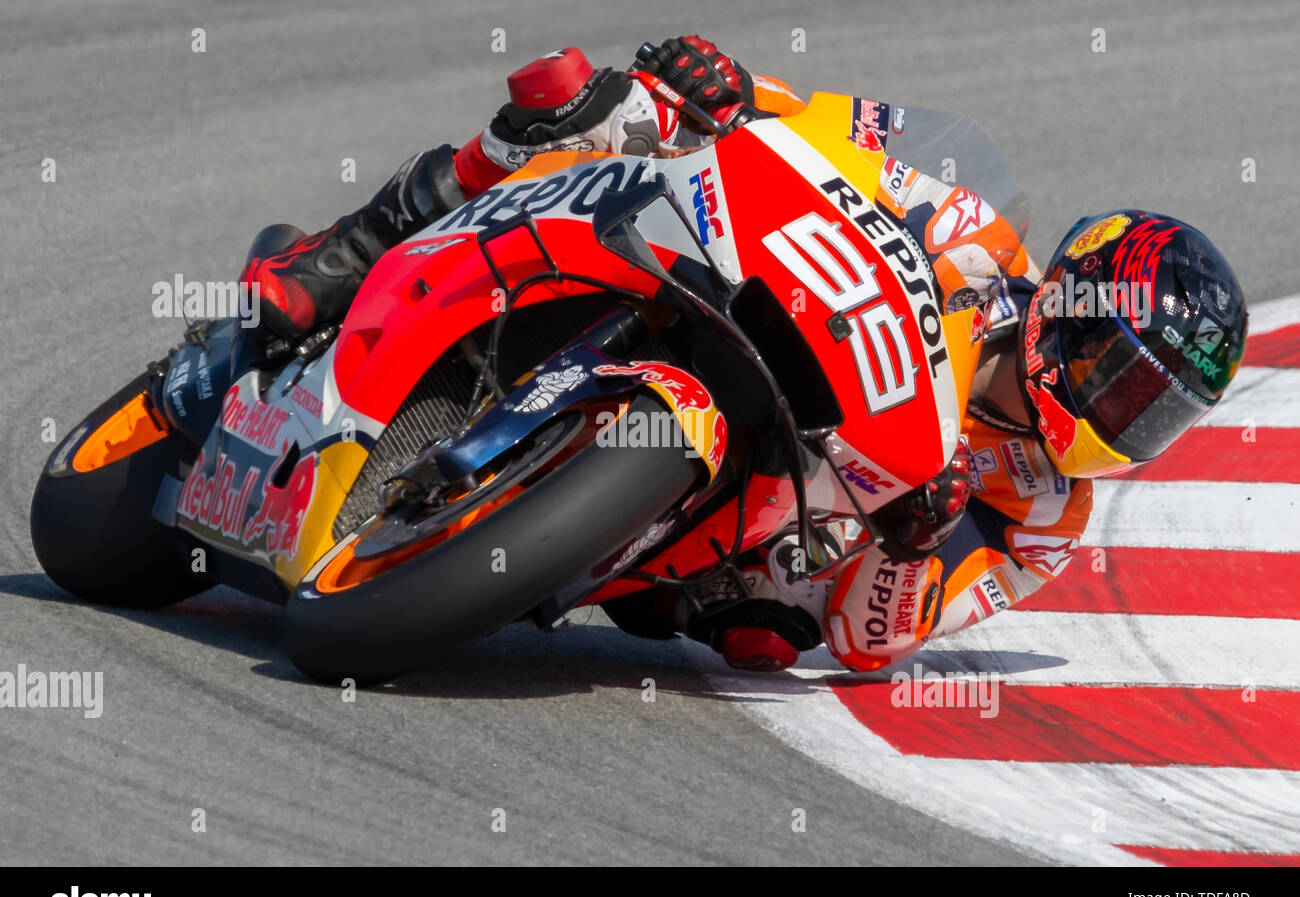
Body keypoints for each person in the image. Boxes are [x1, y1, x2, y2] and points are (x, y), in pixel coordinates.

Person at [242, 36, 1249, 673]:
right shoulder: (971, 229)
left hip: (763, 543)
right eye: (1121, 376)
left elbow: (870, 643)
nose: (1123, 416)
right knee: (589, 111)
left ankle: (549, 538)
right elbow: (825, 134)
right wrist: (728, 92)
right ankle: (352, 251)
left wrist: (907, 545)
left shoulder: (1041, 516)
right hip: (747, 307)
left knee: (766, 638)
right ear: (1070, 308)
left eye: (1152, 411)